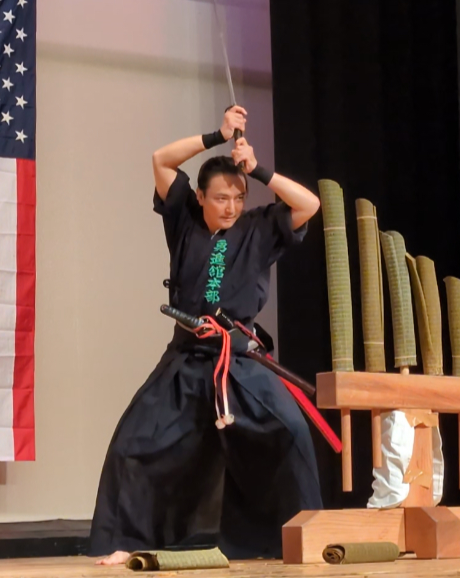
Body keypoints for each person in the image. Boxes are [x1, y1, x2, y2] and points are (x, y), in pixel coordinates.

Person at [88, 106, 324, 565]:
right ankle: (126, 539)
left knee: (291, 432)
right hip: (187, 359)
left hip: (239, 361)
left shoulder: (259, 228)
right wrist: (217, 135)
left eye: (239, 197)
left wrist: (259, 169)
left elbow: (309, 204)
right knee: (134, 444)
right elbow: (161, 159)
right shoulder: (183, 220)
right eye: (220, 198)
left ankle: (298, 538)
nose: (231, 207)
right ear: (199, 197)